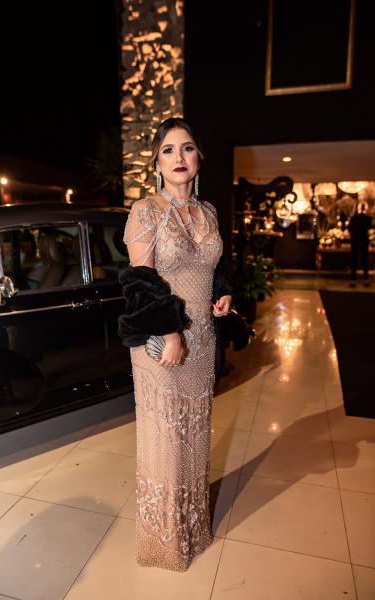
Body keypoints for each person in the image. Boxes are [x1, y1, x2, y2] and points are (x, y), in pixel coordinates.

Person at [118, 117, 232, 571]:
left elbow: (213, 266)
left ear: (199, 156)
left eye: (187, 148)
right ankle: (164, 543)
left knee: (194, 435)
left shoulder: (209, 212)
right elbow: (140, 281)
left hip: (203, 342)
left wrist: (222, 293)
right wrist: (170, 333)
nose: (179, 157)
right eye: (168, 150)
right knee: (166, 440)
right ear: (156, 162)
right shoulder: (145, 211)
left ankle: (192, 529)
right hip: (162, 344)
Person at [348, 203, 372, 287]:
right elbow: (370, 227)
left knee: (354, 260)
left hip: (355, 241)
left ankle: (353, 280)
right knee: (365, 261)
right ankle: (366, 279)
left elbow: (349, 228)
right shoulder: (368, 219)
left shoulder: (354, 218)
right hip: (364, 241)